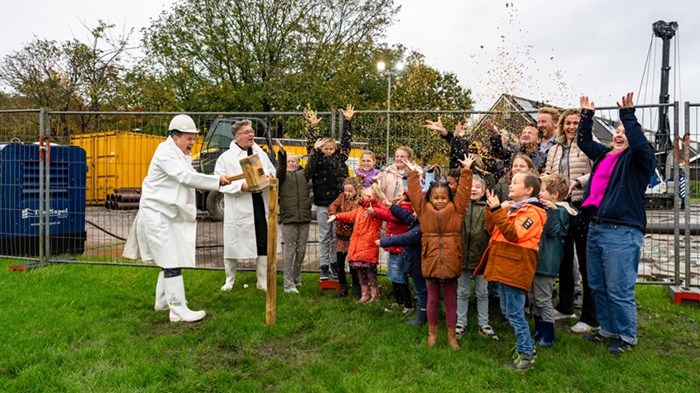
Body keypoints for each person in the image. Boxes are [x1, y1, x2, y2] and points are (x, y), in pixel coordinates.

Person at [123, 114, 231, 323]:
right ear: (175, 136)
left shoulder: (179, 154)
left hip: (167, 215)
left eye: (194, 138)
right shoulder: (165, 153)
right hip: (157, 216)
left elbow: (189, 177)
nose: (193, 142)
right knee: (171, 259)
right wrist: (217, 181)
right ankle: (178, 310)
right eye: (189, 138)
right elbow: (185, 177)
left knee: (171, 258)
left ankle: (163, 302)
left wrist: (213, 181)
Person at [577, 93, 655, 354]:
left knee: (618, 287)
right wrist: (586, 116)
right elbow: (585, 141)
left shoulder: (638, 160)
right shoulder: (604, 155)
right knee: (597, 284)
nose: (620, 134)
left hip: (621, 230)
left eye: (625, 132)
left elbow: (640, 145)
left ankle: (626, 336)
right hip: (596, 226)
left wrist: (628, 115)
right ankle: (607, 329)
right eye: (617, 131)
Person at [476, 172, 546, 370]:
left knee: (515, 313)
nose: (511, 185)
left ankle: (526, 354)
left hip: (515, 267)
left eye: (516, 183)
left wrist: (498, 209)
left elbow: (513, 234)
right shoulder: (511, 207)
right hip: (504, 265)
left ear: (529, 190)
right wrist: (492, 210)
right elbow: (492, 229)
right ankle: (525, 347)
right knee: (508, 310)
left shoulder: (533, 213)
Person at [405, 154, 474, 351]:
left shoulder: (456, 209)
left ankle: (452, 336)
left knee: (451, 300)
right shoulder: (423, 209)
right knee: (432, 298)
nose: (440, 201)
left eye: (444, 197)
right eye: (436, 197)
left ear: (449, 197)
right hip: (431, 258)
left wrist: (467, 171)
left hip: (452, 257)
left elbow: (464, 193)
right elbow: (415, 193)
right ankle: (433, 333)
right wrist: (412, 173)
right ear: (430, 197)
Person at [544, 108, 598, 333]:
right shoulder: (555, 148)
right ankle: (566, 306)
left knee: (585, 262)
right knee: (563, 259)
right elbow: (548, 171)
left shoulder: (588, 144)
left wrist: (577, 182)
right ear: (562, 124)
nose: (572, 127)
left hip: (581, 205)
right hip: (560, 206)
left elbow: (599, 171)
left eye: (576, 123)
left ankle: (590, 316)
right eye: (569, 123)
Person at [216, 119, 276, 292]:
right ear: (237, 136)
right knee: (233, 243)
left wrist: (269, 176)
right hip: (239, 205)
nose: (251, 134)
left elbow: (270, 169)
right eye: (247, 132)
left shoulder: (260, 154)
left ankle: (262, 281)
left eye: (252, 131)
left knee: (262, 241)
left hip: (259, 203)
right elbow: (220, 182)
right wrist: (240, 186)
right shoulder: (225, 158)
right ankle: (229, 279)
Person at [305, 105, 354, 280]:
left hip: (339, 203)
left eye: (330, 148)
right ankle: (324, 266)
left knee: (336, 235)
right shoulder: (316, 159)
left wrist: (347, 121)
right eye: (325, 148)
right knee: (324, 235)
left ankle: (335, 264)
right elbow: (311, 147)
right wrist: (312, 127)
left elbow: (346, 142)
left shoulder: (340, 159)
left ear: (335, 149)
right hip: (322, 203)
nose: (327, 151)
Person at [530, 173, 576, 347]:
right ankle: (538, 329)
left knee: (543, 299)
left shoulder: (562, 211)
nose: (539, 193)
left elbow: (552, 231)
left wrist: (553, 211)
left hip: (547, 263)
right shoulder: (544, 208)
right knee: (534, 298)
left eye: (542, 190)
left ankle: (547, 335)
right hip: (537, 260)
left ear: (555, 194)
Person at [454, 174, 497, 340]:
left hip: (481, 257)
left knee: (482, 292)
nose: (473, 189)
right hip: (462, 256)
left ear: (484, 191)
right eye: (469, 186)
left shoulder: (487, 208)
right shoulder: (460, 208)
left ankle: (484, 323)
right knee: (462, 291)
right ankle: (461, 322)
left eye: (477, 187)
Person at [377, 193, 427, 326]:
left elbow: (405, 238)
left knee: (420, 290)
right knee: (418, 289)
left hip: (418, 263)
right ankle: (422, 314)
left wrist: (384, 241)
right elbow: (406, 216)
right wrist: (391, 205)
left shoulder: (421, 226)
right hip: (415, 262)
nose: (413, 212)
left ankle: (422, 317)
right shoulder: (418, 219)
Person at [328, 188, 383, 303]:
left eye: (364, 196)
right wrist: (337, 216)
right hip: (358, 246)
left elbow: (377, 207)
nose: (361, 198)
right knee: (360, 271)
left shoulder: (375, 210)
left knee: (370, 272)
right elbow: (349, 215)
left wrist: (372, 200)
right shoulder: (360, 210)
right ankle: (365, 294)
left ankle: (374, 294)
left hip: (368, 246)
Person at [276, 140, 312, 294]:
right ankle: (287, 283)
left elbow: (311, 166)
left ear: (298, 163)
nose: (291, 163)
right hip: (289, 218)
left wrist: (315, 151)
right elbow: (281, 169)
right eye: (289, 161)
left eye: (293, 161)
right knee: (290, 250)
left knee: (301, 250)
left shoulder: (303, 174)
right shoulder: (282, 177)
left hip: (304, 217)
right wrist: (282, 155)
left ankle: (297, 278)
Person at [371, 185, 414, 314]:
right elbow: (387, 211)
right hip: (394, 248)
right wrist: (375, 201)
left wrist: (375, 210)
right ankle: (399, 302)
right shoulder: (398, 207)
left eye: (401, 194)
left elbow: (389, 216)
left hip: (399, 249)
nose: (397, 195)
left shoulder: (405, 209)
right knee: (394, 276)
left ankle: (408, 305)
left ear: (406, 197)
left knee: (399, 277)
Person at [328, 177, 362, 297]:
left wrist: (338, 216)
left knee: (353, 264)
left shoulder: (359, 201)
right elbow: (333, 205)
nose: (347, 193)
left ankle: (356, 287)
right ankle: (342, 287)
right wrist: (332, 214)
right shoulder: (341, 196)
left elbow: (352, 216)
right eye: (346, 190)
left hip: (353, 237)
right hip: (341, 236)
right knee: (340, 263)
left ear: (356, 190)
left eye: (350, 191)